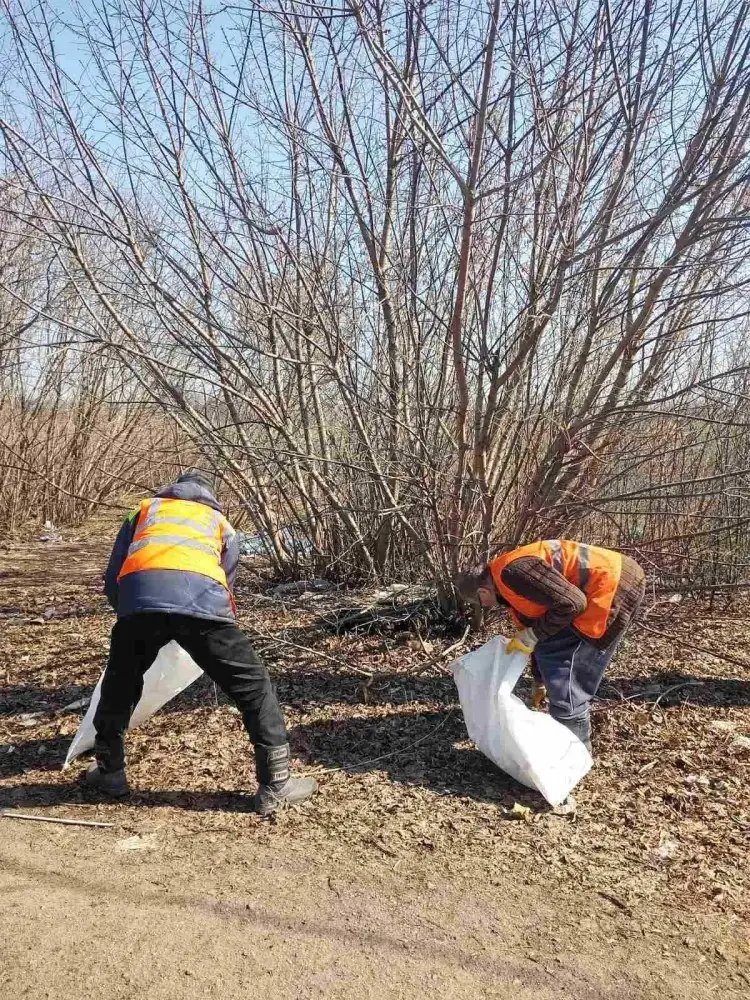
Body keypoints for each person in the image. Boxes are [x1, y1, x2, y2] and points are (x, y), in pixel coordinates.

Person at [85, 470, 317, 816]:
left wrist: (131, 614)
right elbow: (227, 578)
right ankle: (276, 783)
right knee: (253, 689)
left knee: (120, 684)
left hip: (140, 604)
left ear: (173, 488)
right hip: (205, 607)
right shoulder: (219, 522)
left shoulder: (144, 511)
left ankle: (111, 773)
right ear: (209, 494)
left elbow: (113, 573)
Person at [456, 540, 645, 753]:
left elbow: (573, 603)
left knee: (567, 678)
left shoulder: (513, 573)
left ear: (483, 592)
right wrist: (539, 682)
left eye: (479, 604)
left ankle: (574, 756)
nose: (484, 608)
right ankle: (569, 736)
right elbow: (539, 641)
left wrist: (533, 635)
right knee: (553, 655)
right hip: (610, 581)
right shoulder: (511, 590)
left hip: (612, 584)